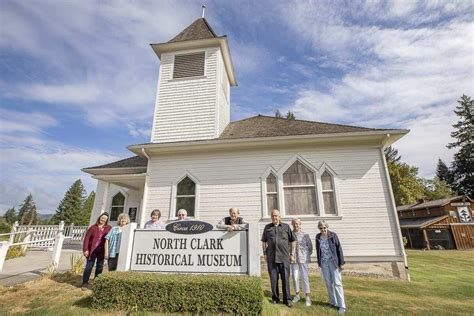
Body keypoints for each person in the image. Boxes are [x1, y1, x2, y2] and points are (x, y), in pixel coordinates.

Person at [261, 209, 296, 308]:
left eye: (276, 216)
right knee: (273, 280)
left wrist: (292, 254)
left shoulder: (286, 227)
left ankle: (287, 299)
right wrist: (264, 253)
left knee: (285, 280)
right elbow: (263, 241)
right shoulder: (267, 227)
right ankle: (275, 298)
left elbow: (293, 241)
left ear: (279, 217)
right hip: (272, 258)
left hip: (284, 258)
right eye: (272, 216)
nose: (274, 218)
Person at [315, 220, 346, 314]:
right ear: (319, 228)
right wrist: (319, 263)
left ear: (327, 227)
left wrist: (341, 263)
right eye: (321, 228)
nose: (323, 229)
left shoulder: (333, 235)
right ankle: (333, 302)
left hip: (334, 263)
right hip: (324, 263)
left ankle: (342, 306)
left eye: (324, 227)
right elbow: (318, 250)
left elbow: (339, 249)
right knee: (328, 283)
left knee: (337, 283)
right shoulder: (318, 237)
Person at [82, 212, 112, 290]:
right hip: (92, 250)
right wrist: (85, 249)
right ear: (99, 218)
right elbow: (87, 239)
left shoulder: (109, 228)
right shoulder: (93, 227)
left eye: (105, 219)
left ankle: (96, 282)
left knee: (99, 267)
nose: (103, 219)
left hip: (102, 251)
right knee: (88, 267)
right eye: (102, 218)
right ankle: (85, 283)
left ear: (107, 220)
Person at [290, 218, 313, 306]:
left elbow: (310, 247)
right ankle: (297, 295)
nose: (296, 225)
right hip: (294, 259)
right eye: (294, 224)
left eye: (297, 224)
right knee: (295, 277)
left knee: (304, 277)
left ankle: (307, 297)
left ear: (300, 224)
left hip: (303, 259)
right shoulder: (290, 234)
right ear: (292, 224)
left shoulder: (305, 235)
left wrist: (305, 254)